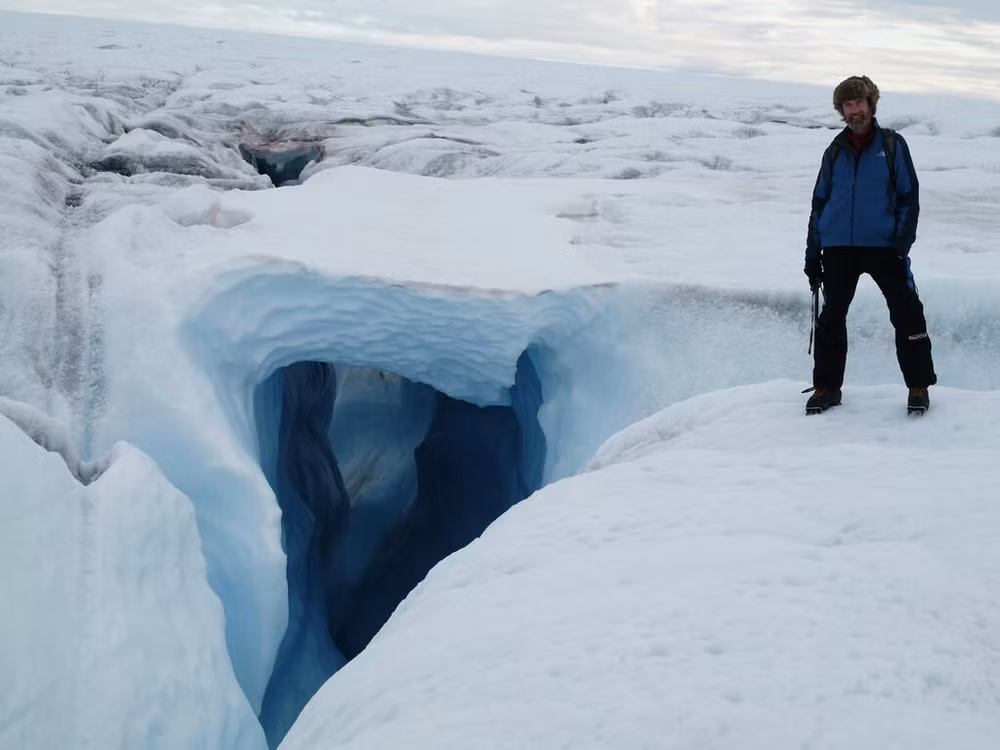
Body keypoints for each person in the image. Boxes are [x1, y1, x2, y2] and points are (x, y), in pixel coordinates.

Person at [804, 75, 936, 415]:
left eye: (859, 103)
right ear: (842, 110)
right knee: (831, 318)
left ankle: (918, 385)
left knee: (907, 312)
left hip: (884, 246)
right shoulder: (834, 151)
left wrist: (901, 244)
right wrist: (812, 252)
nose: (854, 111)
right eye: (848, 105)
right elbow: (819, 204)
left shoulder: (892, 145)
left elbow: (909, 197)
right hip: (838, 248)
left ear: (871, 104)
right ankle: (827, 387)